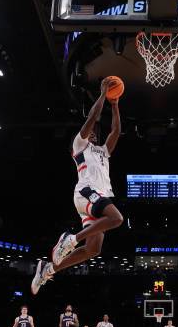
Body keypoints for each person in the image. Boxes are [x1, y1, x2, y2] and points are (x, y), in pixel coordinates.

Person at [31, 78, 123, 295]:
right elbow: (92, 117)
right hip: (86, 192)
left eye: (94, 133)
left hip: (96, 197)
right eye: (89, 131)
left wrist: (116, 104)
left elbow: (116, 131)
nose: (92, 133)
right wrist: (102, 94)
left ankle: (48, 269)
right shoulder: (79, 145)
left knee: (93, 249)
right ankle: (70, 239)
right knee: (117, 219)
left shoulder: (103, 151)